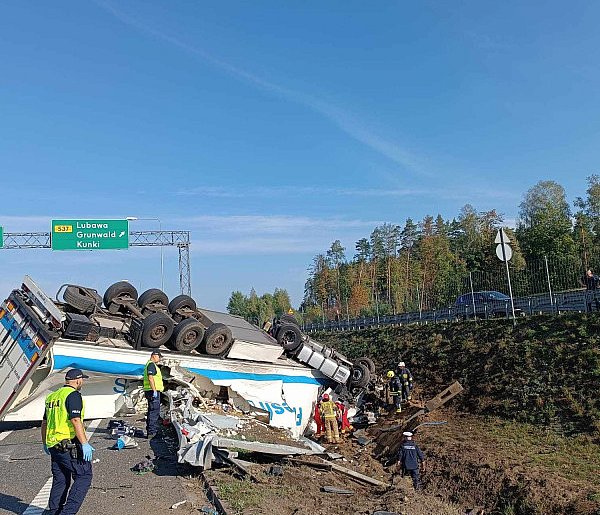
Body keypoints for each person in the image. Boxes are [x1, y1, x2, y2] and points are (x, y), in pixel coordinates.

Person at [41, 368, 95, 515]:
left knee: (61, 479)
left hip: (54, 445)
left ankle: (54, 512)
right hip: (68, 444)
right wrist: (84, 443)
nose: (82, 382)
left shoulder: (52, 397)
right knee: (84, 476)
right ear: (78, 380)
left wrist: (45, 442)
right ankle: (68, 512)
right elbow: (75, 419)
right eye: (82, 379)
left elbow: (44, 423)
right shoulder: (73, 395)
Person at [143, 350, 164, 438]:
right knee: (154, 411)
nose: (159, 359)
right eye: (159, 357)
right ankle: (152, 432)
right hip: (152, 391)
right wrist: (154, 390)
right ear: (154, 356)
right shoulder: (151, 364)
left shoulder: (149, 364)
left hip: (149, 390)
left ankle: (150, 431)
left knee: (151, 410)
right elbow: (150, 377)